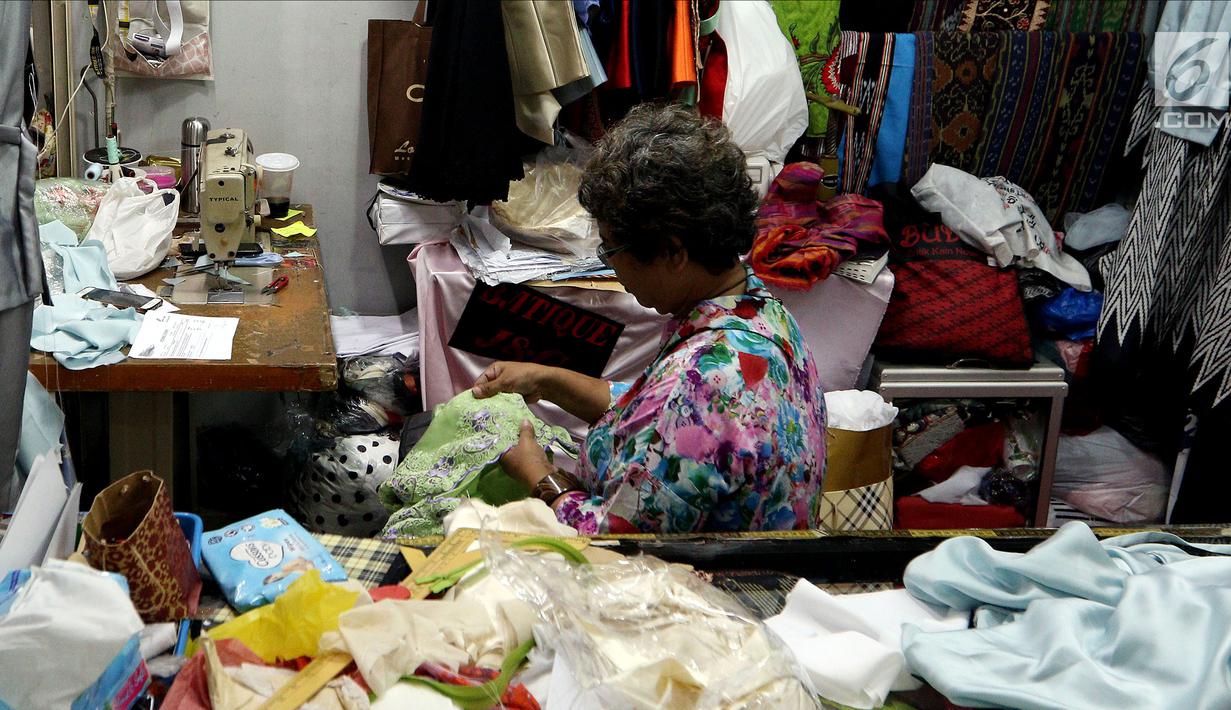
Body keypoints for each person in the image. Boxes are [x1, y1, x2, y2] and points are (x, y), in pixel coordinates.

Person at [472, 103, 826, 534]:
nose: (612, 269)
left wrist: (538, 477)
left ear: (673, 252)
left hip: (707, 583)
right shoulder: (763, 317)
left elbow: (618, 536)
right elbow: (649, 408)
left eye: (611, 251)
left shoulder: (700, 380)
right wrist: (545, 379)